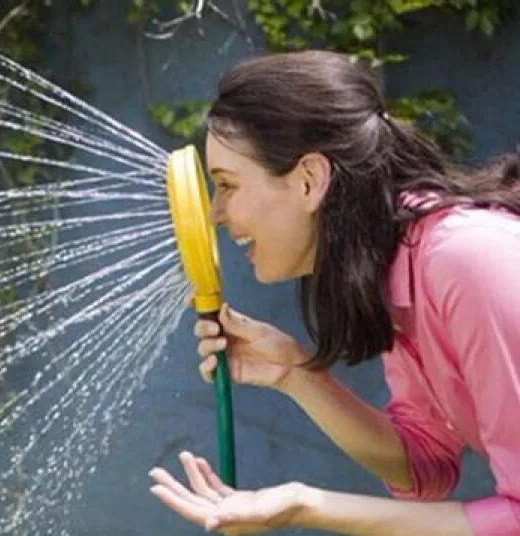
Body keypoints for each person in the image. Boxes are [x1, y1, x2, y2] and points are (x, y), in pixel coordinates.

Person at [148, 50, 520, 535]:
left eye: (227, 185)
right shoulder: (402, 270)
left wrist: (307, 505)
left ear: (309, 180)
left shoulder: (467, 260)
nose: (217, 213)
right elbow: (426, 463)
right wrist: (295, 374)